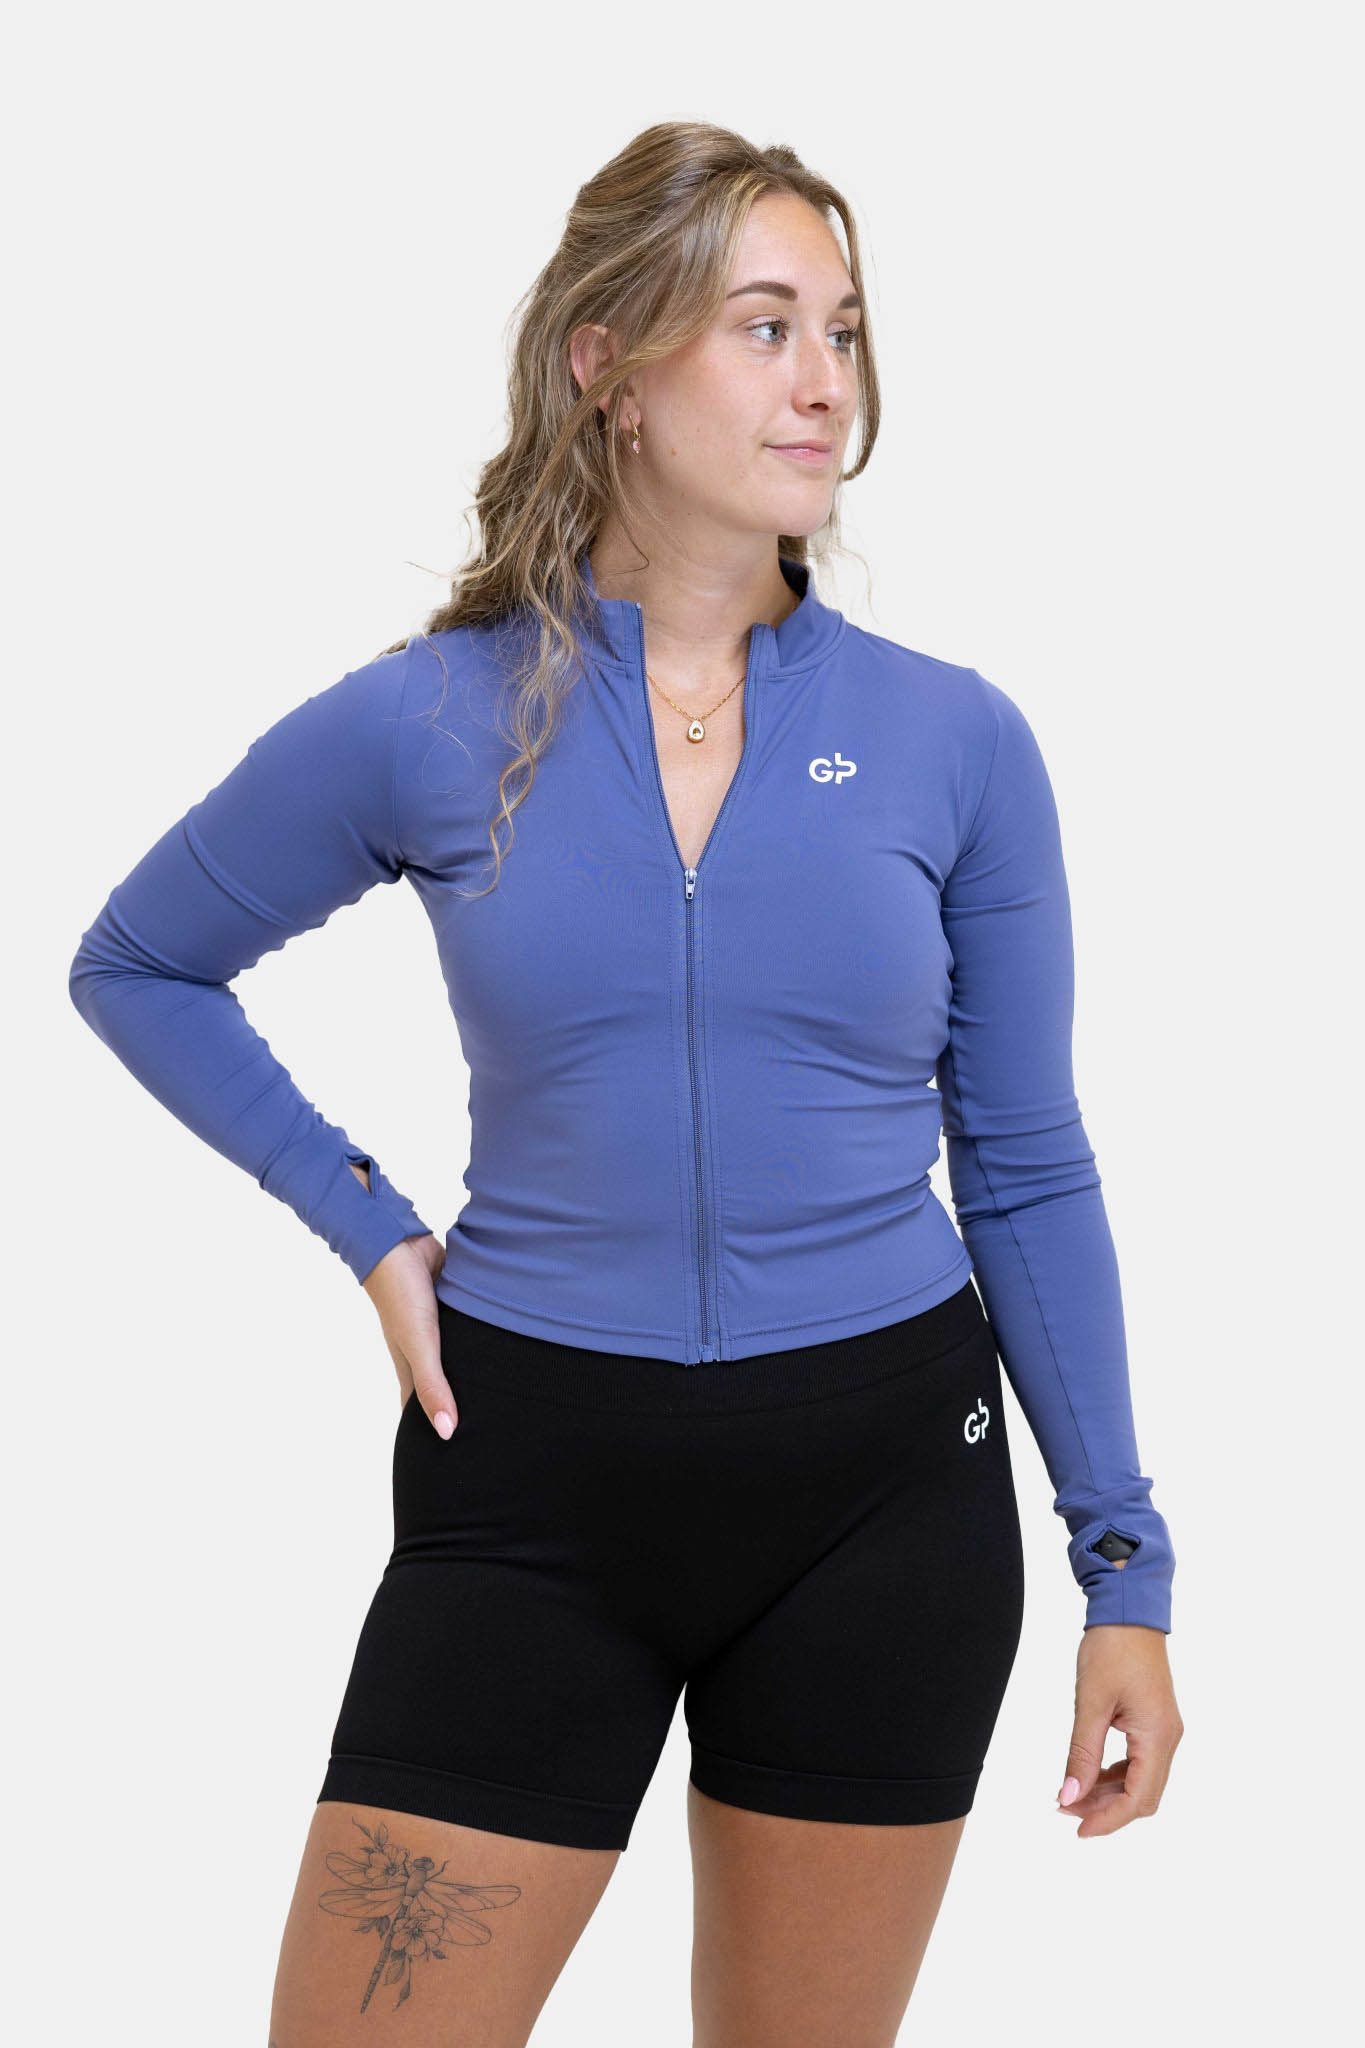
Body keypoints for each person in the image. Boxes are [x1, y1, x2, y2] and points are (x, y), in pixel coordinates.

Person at [68, 121, 1182, 2048]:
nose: (823, 378)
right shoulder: (433, 716)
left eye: (841, 327)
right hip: (531, 1482)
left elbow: (1021, 1161)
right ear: (608, 363)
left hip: (880, 1494)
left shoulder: (952, 738)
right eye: (762, 324)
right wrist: (368, 1227)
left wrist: (1124, 1568)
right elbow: (139, 962)